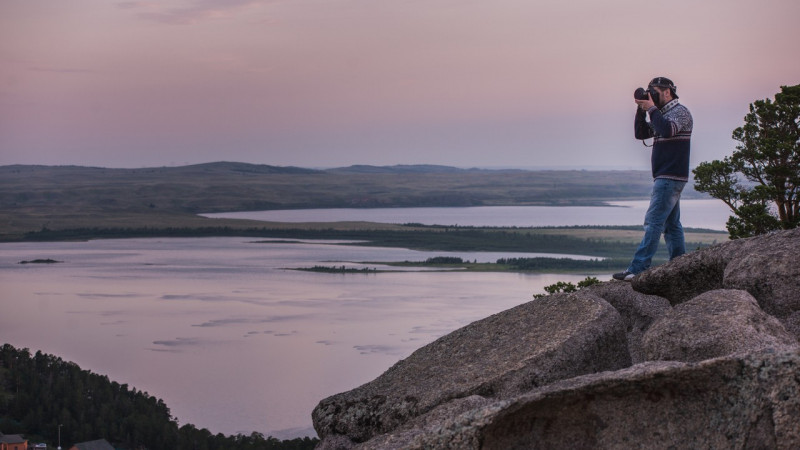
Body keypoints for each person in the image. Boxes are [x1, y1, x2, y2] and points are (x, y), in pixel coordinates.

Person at [613, 77, 693, 281]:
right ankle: (680, 265)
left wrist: (652, 109)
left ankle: (638, 268)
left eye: (654, 92)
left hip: (669, 176)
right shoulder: (662, 115)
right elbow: (640, 134)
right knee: (671, 224)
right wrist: (642, 109)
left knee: (653, 222)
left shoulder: (680, 112)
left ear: (667, 92)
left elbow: (667, 130)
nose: (652, 96)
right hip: (667, 176)